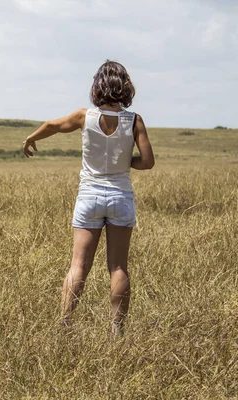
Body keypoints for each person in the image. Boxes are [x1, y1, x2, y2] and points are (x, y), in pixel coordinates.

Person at [22, 60, 155, 337]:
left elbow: (52, 125)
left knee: (78, 266)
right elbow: (148, 162)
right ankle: (116, 331)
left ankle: (65, 325)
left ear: (98, 86)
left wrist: (29, 138)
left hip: (89, 197)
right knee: (118, 267)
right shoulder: (134, 121)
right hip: (120, 196)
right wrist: (123, 162)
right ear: (125, 86)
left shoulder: (85, 117)